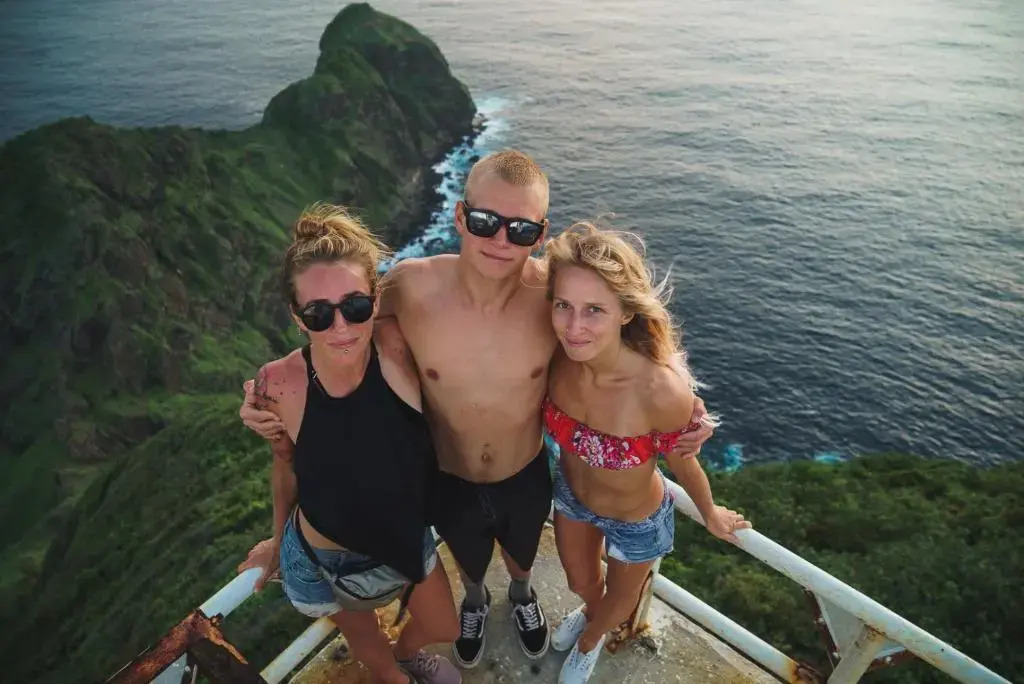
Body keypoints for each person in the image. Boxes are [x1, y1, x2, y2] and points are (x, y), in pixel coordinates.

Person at [240, 150, 714, 671]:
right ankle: (475, 602)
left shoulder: (554, 299)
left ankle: (522, 595)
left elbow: (621, 331)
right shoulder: (410, 287)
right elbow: (337, 330)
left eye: (521, 229)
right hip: (449, 473)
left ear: (540, 234)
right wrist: (266, 391)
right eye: (486, 221)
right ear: (461, 216)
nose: (500, 240)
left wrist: (683, 400)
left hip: (523, 468)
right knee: (467, 556)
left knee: (522, 553)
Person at [235, 204, 461, 684]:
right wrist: (276, 541)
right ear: (298, 318)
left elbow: (474, 304)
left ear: (376, 301)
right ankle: (395, 676)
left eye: (354, 306)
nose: (340, 327)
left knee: (445, 625)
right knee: (368, 645)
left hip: (402, 536)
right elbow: (285, 467)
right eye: (318, 313)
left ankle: (407, 654)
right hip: (323, 559)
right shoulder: (278, 384)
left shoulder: (399, 348)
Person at [542, 222, 752, 684]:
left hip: (635, 520)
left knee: (620, 601)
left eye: (594, 310)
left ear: (625, 312)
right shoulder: (556, 356)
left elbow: (682, 461)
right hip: (572, 498)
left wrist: (710, 512)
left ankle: (590, 640)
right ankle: (591, 614)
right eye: (563, 305)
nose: (574, 327)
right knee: (580, 582)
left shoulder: (658, 390)